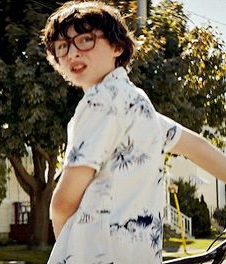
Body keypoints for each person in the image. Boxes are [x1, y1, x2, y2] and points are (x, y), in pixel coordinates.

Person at [42, 1, 226, 263]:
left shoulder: (100, 101)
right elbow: (195, 147)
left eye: (85, 40)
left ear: (117, 46)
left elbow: (63, 202)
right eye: (62, 46)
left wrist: (68, 248)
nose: (72, 53)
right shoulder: (138, 106)